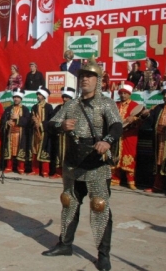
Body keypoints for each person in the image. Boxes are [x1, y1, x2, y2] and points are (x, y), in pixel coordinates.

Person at [42, 56, 122, 271]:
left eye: (89, 76)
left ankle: (103, 255)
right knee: (69, 203)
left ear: (99, 80)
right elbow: (49, 124)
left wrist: (107, 141)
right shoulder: (71, 105)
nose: (85, 79)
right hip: (72, 163)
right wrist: (61, 127)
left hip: (96, 165)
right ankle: (65, 244)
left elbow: (116, 126)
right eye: (82, 76)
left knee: (100, 207)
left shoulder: (106, 103)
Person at [143, 82, 166, 195]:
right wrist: (145, 115)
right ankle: (157, 186)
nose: (165, 96)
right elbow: (150, 121)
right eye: (164, 94)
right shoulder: (158, 107)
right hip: (159, 140)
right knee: (158, 163)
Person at [109, 82, 142, 189]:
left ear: (129, 94)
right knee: (115, 156)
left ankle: (131, 181)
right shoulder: (115, 105)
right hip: (116, 135)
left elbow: (143, 120)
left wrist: (134, 119)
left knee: (129, 156)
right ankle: (115, 179)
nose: (123, 95)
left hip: (129, 135)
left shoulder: (135, 106)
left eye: (125, 93)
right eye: (121, 93)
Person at [0, 88, 31, 174]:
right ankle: (8, 167)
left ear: (21, 98)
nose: (16, 99)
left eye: (18, 97)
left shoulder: (25, 109)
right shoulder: (8, 109)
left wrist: (18, 119)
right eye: (14, 97)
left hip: (20, 134)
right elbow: (3, 119)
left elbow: (28, 121)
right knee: (9, 150)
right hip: (10, 133)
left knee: (20, 150)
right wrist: (7, 122)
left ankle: (21, 168)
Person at [29, 86, 54, 177]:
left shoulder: (49, 107)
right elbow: (30, 119)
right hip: (35, 133)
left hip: (44, 133)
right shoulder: (34, 107)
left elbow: (51, 120)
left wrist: (40, 124)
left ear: (43, 96)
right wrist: (33, 121)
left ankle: (45, 171)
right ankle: (35, 170)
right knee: (34, 150)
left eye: (39, 95)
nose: (38, 96)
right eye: (38, 94)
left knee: (44, 150)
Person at [51, 87, 76, 179]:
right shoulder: (58, 108)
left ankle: (70, 172)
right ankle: (58, 172)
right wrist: (59, 125)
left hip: (72, 135)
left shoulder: (76, 109)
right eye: (64, 97)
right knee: (59, 152)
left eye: (67, 97)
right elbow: (52, 121)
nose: (65, 99)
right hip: (60, 134)